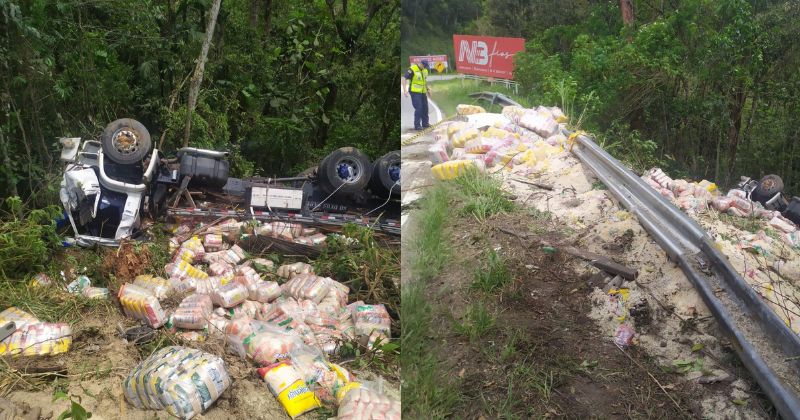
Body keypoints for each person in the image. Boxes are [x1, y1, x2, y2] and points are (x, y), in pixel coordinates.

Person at [403, 59, 432, 130]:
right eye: (424, 66)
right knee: (419, 108)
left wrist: (428, 89)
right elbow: (404, 78)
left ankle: (425, 124)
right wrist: (405, 90)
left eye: (426, 66)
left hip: (422, 92)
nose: (425, 68)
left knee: (425, 108)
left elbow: (424, 81)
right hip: (415, 92)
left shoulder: (425, 70)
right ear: (421, 64)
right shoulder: (412, 69)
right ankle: (417, 125)